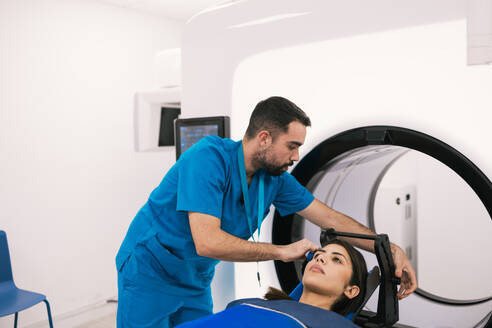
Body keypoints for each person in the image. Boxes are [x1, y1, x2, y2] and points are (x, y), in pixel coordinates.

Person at [115, 96, 417, 328]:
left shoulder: (274, 181)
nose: (296, 156)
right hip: (150, 270)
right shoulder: (207, 158)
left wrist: (387, 248)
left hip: (195, 276)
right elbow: (207, 241)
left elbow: (331, 219)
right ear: (264, 138)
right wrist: (281, 251)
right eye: (292, 146)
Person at [175, 237, 368, 328]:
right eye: (318, 255)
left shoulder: (335, 325)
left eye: (337, 260)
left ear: (351, 291)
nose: (320, 259)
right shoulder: (259, 304)